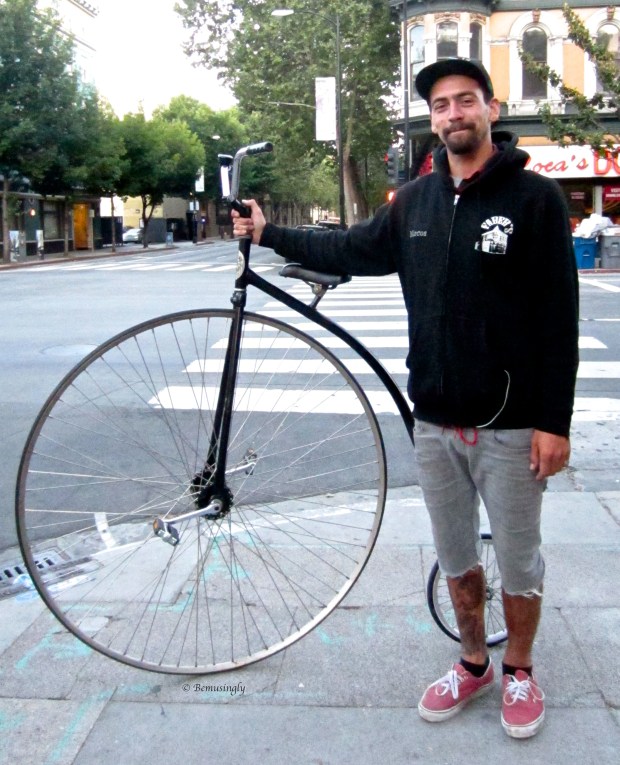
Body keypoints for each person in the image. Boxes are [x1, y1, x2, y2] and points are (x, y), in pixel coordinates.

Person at [232, 58, 579, 739]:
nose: (453, 114)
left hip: (512, 426)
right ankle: (474, 662)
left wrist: (553, 423)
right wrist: (269, 233)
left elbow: (557, 318)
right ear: (433, 119)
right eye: (442, 105)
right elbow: (350, 248)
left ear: (491, 110)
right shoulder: (414, 202)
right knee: (457, 559)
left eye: (465, 101)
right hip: (435, 423)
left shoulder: (535, 199)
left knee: (519, 561)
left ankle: (520, 669)